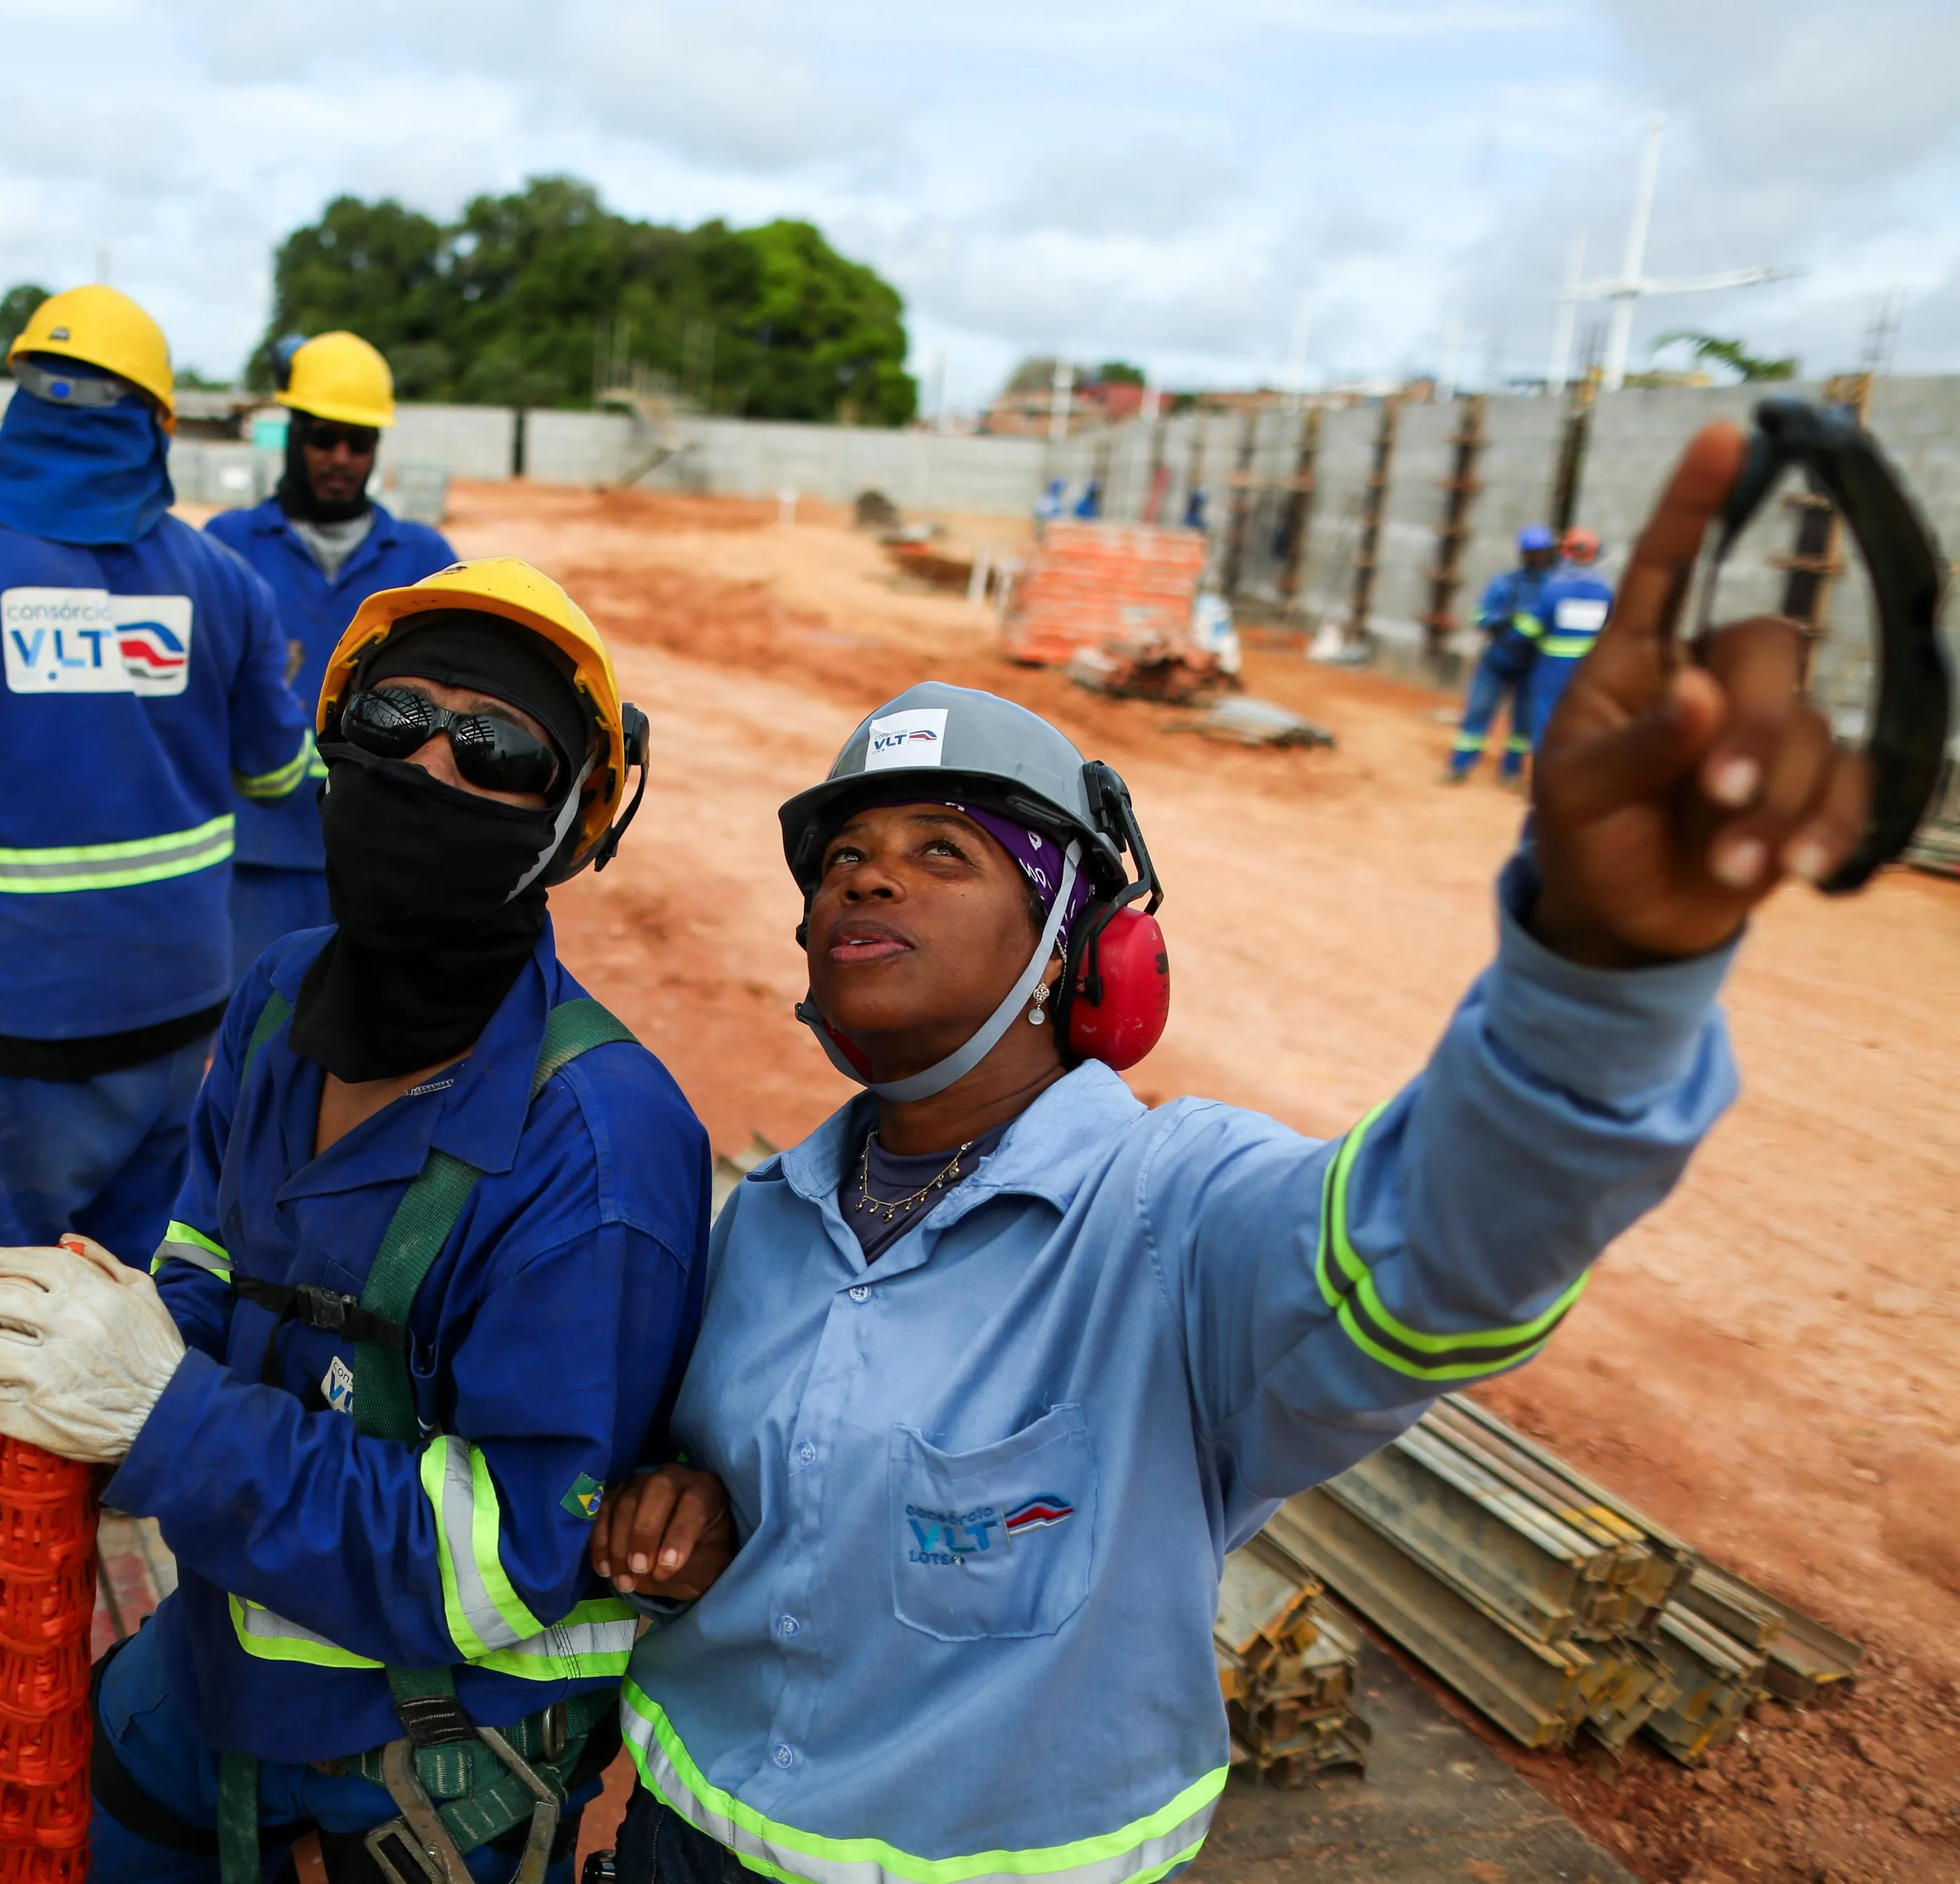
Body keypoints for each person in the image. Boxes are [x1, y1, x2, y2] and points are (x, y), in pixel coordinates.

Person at [586, 424, 1862, 1884]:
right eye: (838, 858)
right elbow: (752, 1485)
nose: (864, 873)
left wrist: (1593, 978)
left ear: (1083, 950)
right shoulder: (763, 1222)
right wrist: (685, 1507)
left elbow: (1435, 1248)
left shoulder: (1170, 1220)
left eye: (943, 850)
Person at [0, 559, 704, 1884]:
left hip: (431, 1753)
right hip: (222, 1648)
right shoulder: (285, 997)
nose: (433, 770)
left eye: (499, 748)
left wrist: (159, 1418)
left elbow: (497, 1568)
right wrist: (65, 1431)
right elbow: (207, 1256)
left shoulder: (600, 1151)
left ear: (575, 827)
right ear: (337, 750)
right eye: (398, 724)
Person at [0, 283, 315, 1424]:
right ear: (154, 426)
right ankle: (116, 1462)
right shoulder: (221, 585)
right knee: (140, 1270)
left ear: (20, 413)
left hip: (20, 1017)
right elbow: (277, 776)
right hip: (182, 1002)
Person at [206, 331, 460, 978]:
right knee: (255, 1050)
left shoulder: (423, 562)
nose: (340, 457)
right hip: (250, 859)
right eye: (323, 437)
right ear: (291, 434)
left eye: (359, 441)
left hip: (378, 864)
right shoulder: (226, 548)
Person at [1447, 523, 1558, 782]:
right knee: (1479, 711)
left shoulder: (1553, 587)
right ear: (1525, 554)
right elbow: (1481, 616)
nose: (1539, 557)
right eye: (1534, 552)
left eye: (1543, 551)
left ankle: (1511, 770)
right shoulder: (1505, 583)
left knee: (1523, 721)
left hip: (1532, 662)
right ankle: (1460, 766)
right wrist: (1502, 619)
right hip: (1497, 659)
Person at [1526, 524, 1616, 752]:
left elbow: (1531, 627)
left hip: (1552, 667)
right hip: (1589, 668)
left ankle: (1542, 778)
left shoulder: (1554, 588)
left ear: (1566, 552)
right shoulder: (1605, 591)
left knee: (1545, 721)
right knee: (1583, 722)